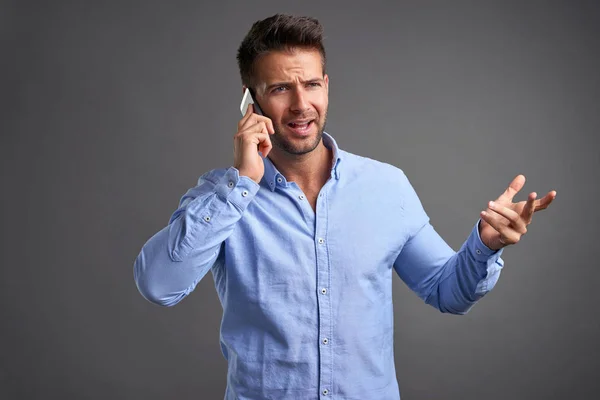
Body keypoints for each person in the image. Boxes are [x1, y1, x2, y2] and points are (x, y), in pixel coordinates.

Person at [133, 13, 556, 400]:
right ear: (251, 102)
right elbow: (158, 285)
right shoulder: (222, 197)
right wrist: (242, 182)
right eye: (280, 88)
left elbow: (447, 291)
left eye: (311, 84)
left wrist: (485, 245)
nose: (301, 105)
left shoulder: (385, 185)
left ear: (326, 86)